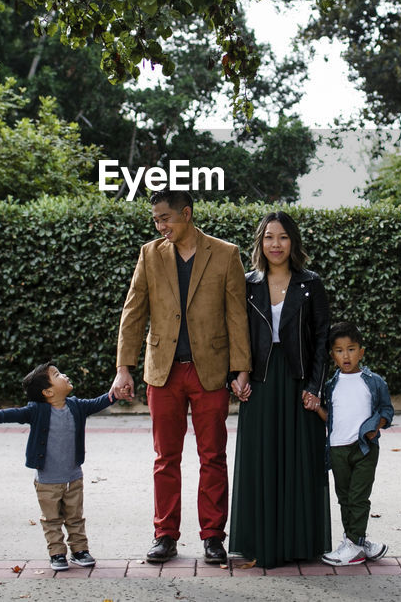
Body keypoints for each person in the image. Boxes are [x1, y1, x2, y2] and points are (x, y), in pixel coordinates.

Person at [111, 189, 250, 565]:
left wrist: (241, 369)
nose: (160, 226)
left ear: (186, 214)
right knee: (165, 458)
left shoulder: (225, 253)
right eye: (156, 220)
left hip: (210, 371)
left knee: (213, 457)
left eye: (166, 218)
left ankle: (212, 537)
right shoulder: (149, 254)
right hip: (163, 372)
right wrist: (124, 367)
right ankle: (165, 535)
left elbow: (237, 315)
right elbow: (133, 312)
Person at [229, 210, 333, 568]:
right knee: (262, 461)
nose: (276, 244)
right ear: (260, 241)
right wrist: (236, 375)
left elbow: (322, 339)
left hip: (298, 382)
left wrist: (315, 386)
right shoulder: (247, 283)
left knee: (300, 464)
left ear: (294, 242)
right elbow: (234, 333)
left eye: (284, 237)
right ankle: (261, 542)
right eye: (269, 237)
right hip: (259, 382)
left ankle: (299, 542)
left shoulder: (311, 283)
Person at [0, 362, 115, 571]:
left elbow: (98, 402)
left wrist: (115, 393)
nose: (64, 374)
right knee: (52, 519)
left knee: (75, 516)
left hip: (74, 476)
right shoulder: (37, 410)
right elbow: (16, 414)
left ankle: (80, 550)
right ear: (48, 392)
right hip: (47, 480)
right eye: (57, 374)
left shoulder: (76, 406)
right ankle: (57, 553)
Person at [315, 321, 394, 567]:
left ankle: (354, 544)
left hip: (364, 449)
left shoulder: (373, 382)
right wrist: (317, 407)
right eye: (339, 350)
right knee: (345, 497)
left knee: (359, 497)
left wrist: (376, 427)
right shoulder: (331, 386)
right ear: (332, 355)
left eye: (351, 349)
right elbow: (331, 418)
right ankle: (357, 541)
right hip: (338, 449)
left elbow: (387, 410)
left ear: (361, 352)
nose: (345, 355)